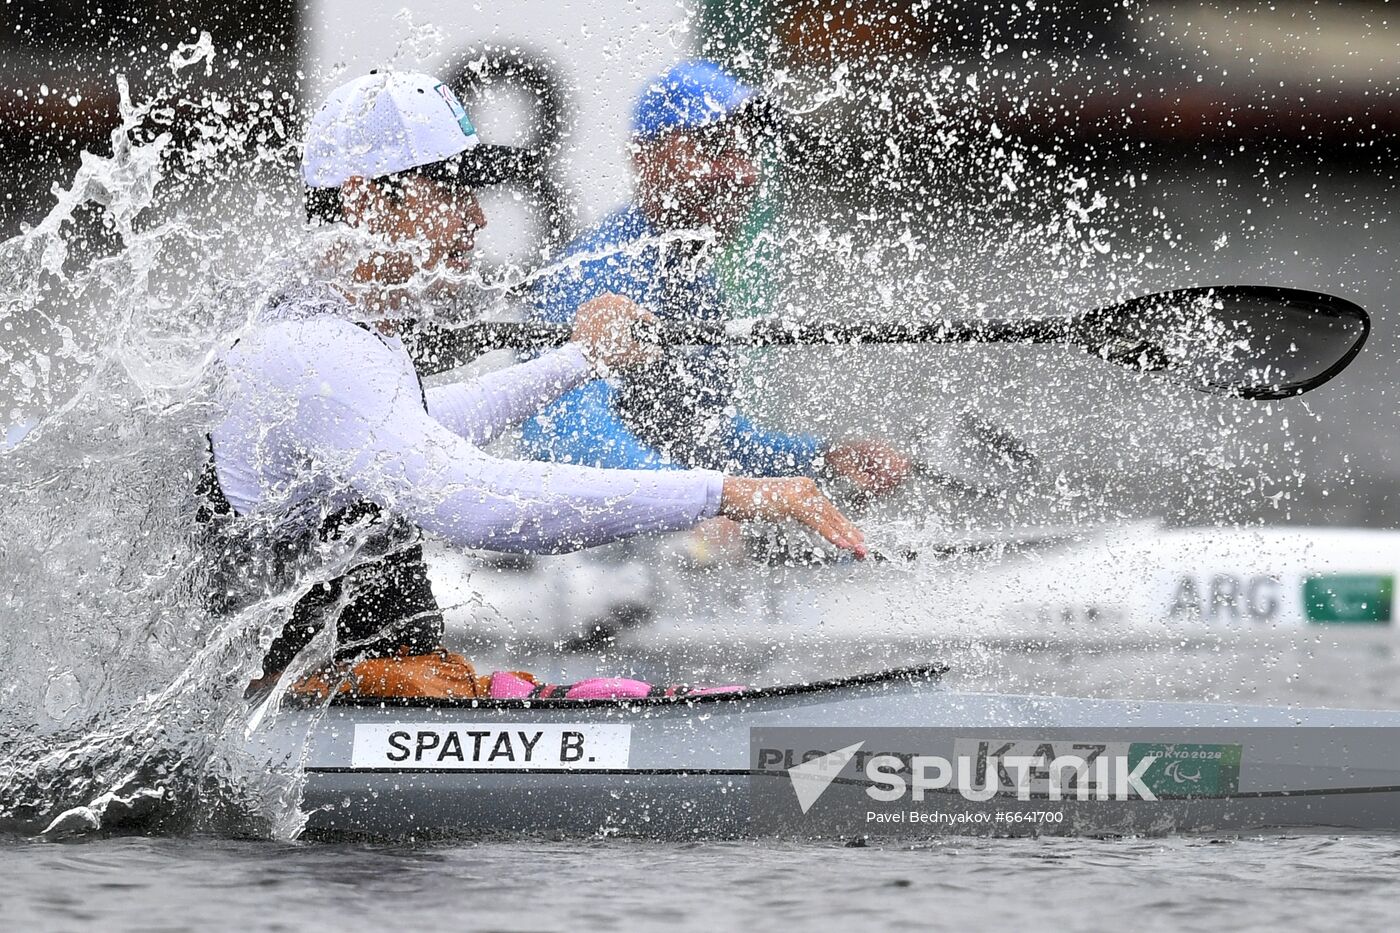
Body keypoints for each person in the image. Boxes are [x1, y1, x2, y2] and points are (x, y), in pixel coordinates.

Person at [200, 70, 866, 701]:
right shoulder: (316, 354)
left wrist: (578, 360)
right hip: (297, 715)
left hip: (364, 692)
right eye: (453, 188)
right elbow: (478, 503)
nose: (479, 219)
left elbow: (424, 425)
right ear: (365, 197)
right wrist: (724, 494)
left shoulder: (343, 336)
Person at [522, 60, 909, 500]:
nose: (740, 172)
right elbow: (568, 438)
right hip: (571, 566)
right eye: (712, 148)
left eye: (744, 150)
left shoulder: (693, 284)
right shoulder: (596, 276)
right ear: (643, 158)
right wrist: (702, 504)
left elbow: (706, 437)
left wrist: (822, 457)